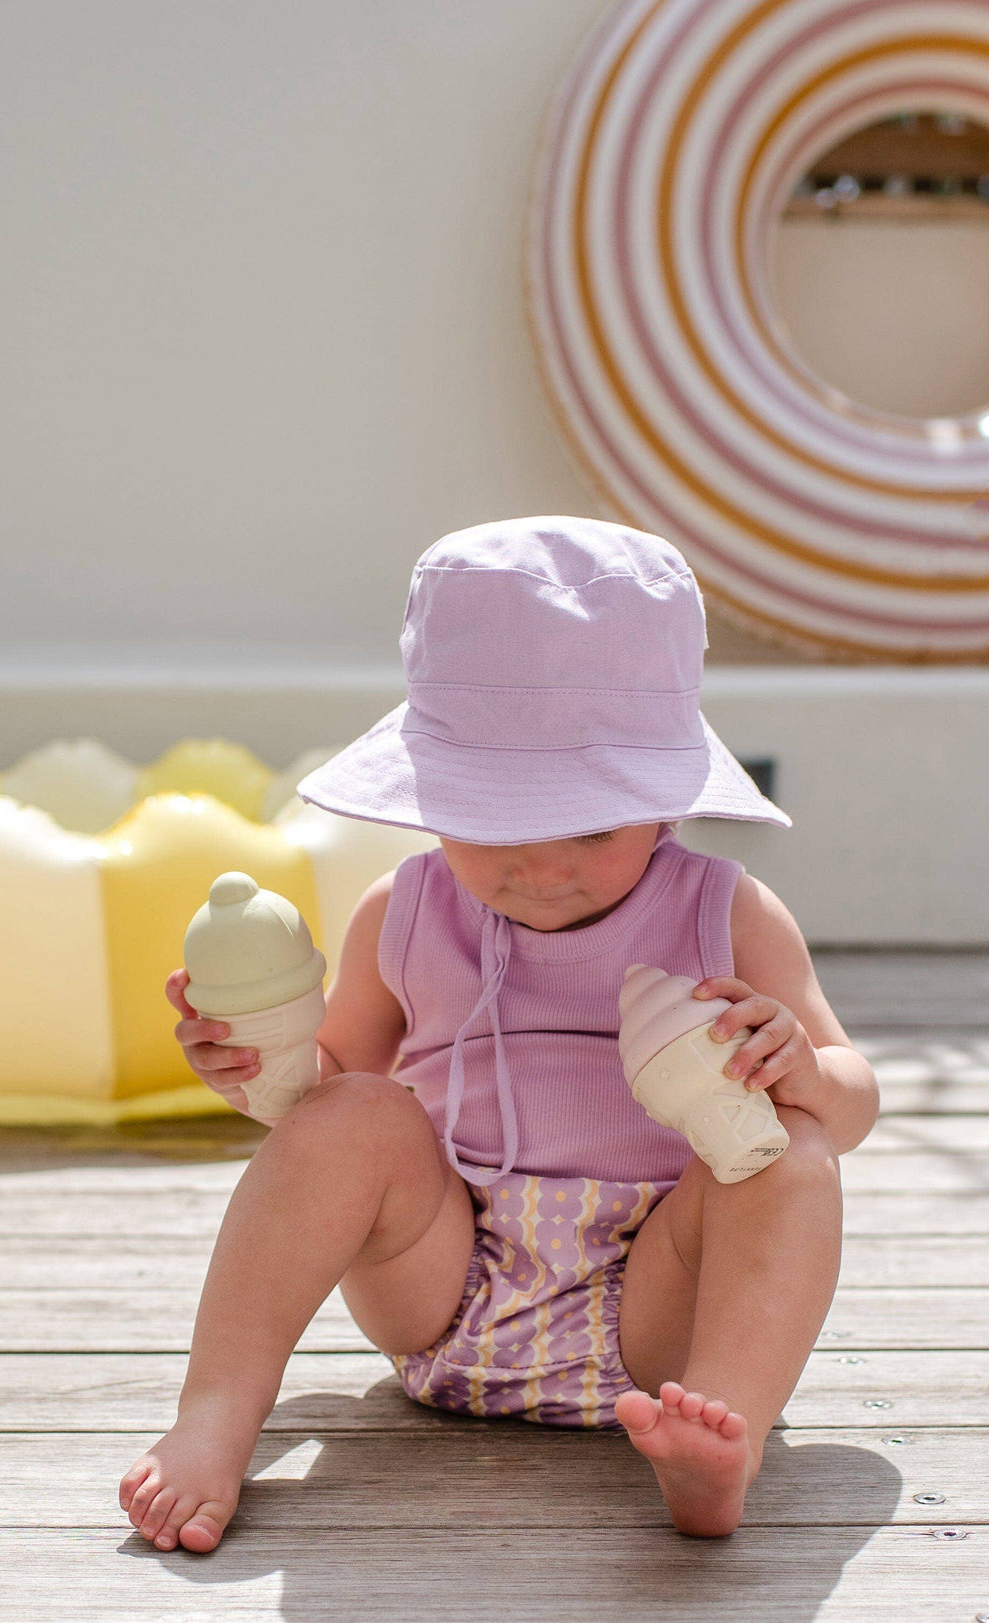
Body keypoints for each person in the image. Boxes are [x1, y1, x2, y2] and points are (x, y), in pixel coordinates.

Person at [120, 516, 878, 1552]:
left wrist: (798, 1063)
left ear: (664, 802)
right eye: (496, 822)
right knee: (353, 1114)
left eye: (590, 825)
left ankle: (719, 1441)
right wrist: (259, 1064)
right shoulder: (407, 909)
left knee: (791, 1153)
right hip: (445, 1285)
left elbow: (853, 1099)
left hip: (661, 1308)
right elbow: (326, 1089)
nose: (542, 867)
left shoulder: (729, 914)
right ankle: (216, 1408)